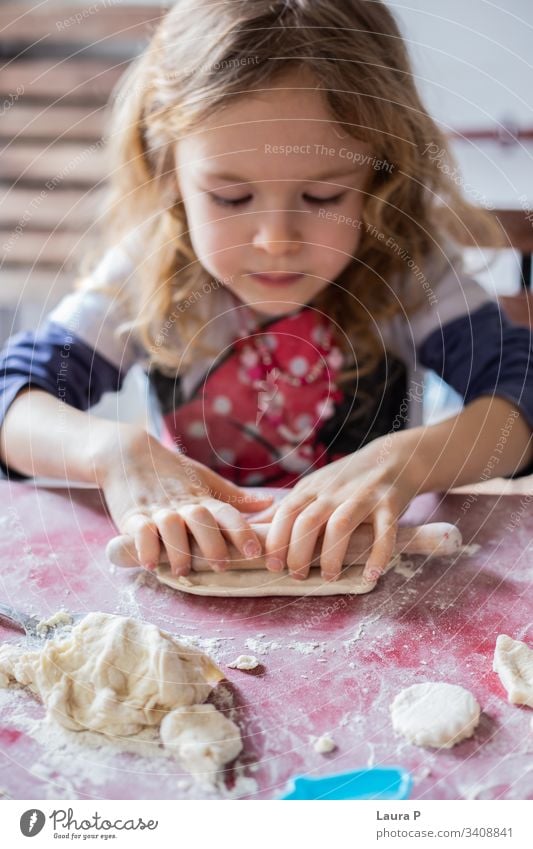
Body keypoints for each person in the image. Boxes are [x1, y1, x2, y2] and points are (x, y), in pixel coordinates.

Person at [1, 0, 532, 585]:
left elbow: (519, 394)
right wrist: (116, 454)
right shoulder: (148, 269)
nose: (276, 240)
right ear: (170, 171)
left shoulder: (409, 266)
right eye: (230, 199)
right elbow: (12, 399)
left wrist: (405, 461)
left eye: (323, 197)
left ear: (380, 176)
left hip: (372, 574)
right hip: (195, 566)